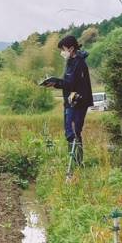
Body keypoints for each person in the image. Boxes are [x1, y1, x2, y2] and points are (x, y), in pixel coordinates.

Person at [41, 36, 94, 166]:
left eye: (63, 49)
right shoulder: (71, 61)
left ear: (71, 48)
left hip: (78, 102)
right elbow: (69, 83)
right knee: (70, 132)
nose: (62, 52)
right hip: (69, 102)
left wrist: (56, 83)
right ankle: (75, 162)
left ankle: (76, 163)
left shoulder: (79, 63)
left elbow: (71, 84)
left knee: (73, 132)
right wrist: (56, 83)